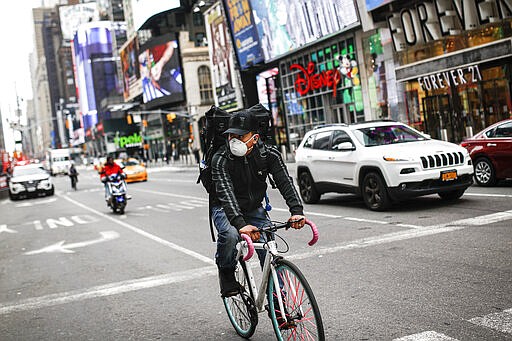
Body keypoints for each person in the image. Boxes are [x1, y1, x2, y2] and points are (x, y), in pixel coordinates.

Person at [211, 110, 306, 297]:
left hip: (254, 208)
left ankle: (278, 301)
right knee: (230, 235)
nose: (233, 140)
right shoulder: (220, 159)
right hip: (224, 207)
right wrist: (240, 225)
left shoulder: (269, 154)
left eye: (240, 135)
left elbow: (285, 182)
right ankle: (226, 273)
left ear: (254, 138)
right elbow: (226, 194)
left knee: (268, 241)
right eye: (231, 135)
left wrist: (296, 210)